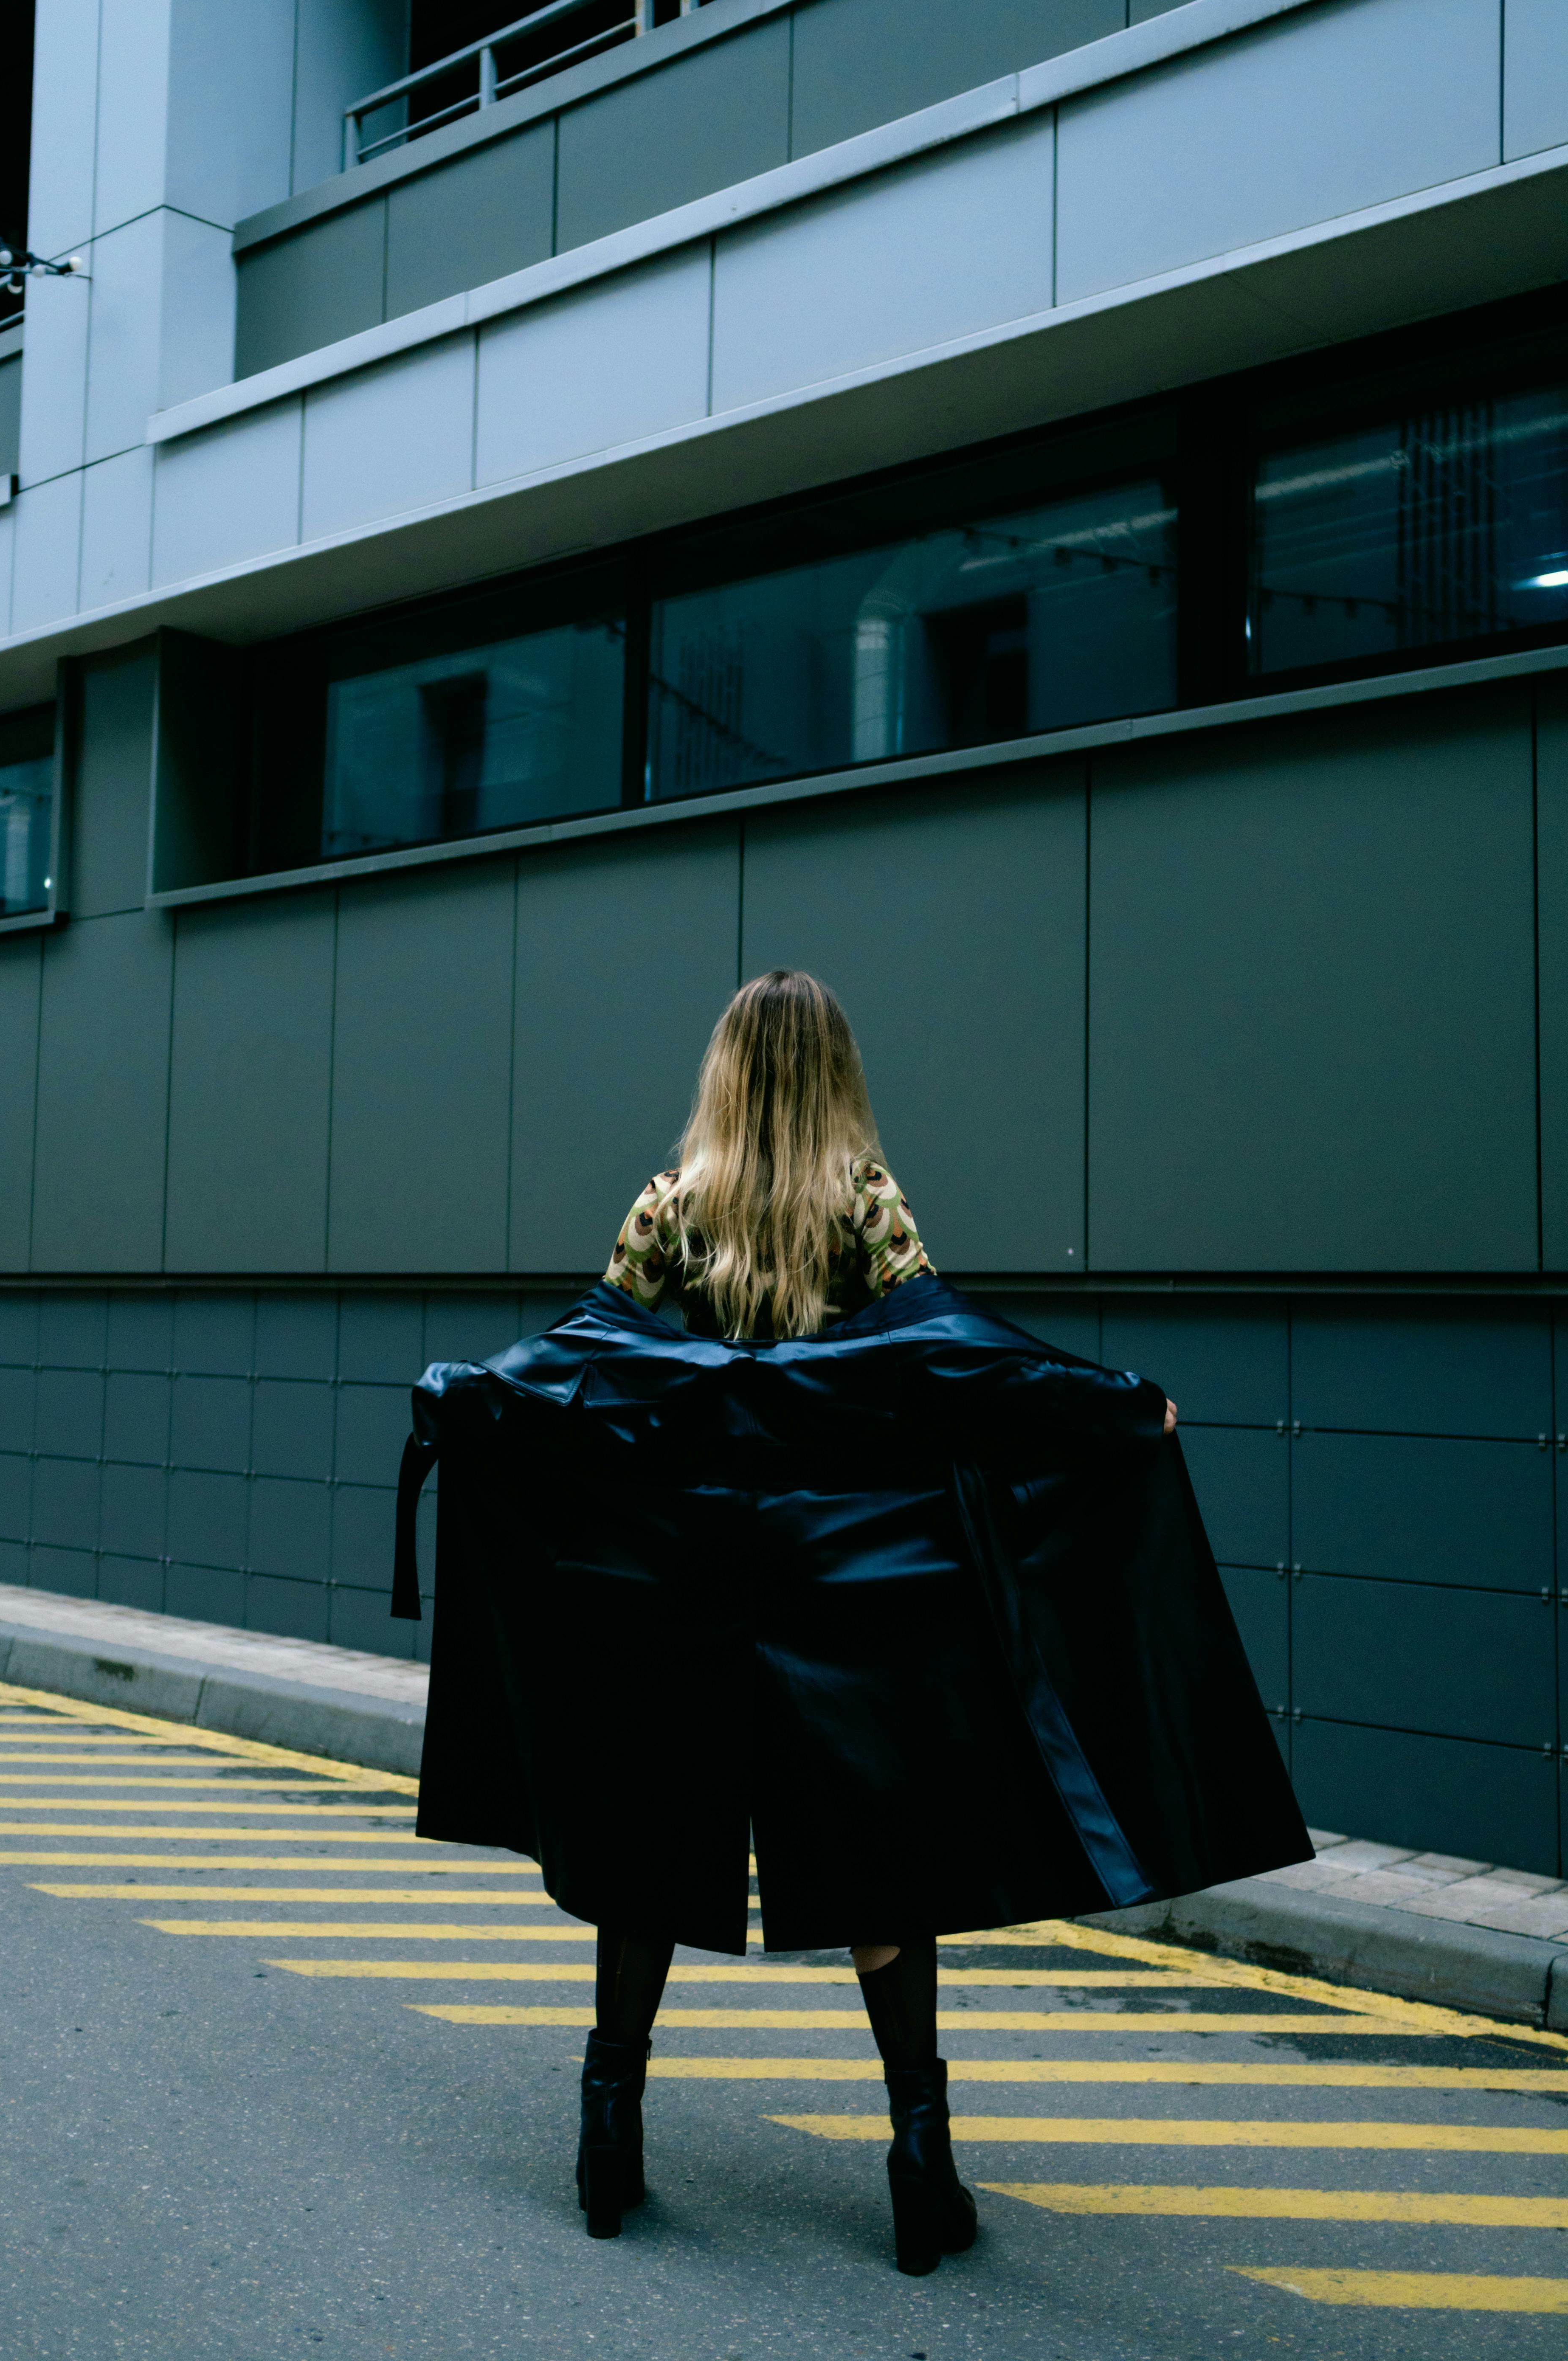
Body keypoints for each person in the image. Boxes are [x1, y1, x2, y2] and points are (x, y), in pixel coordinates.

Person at [393, 971, 1307, 2271]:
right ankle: (920, 2158)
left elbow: (585, 1365)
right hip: (848, 1579)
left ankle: (609, 2130)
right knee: (882, 1864)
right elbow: (955, 1357)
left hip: (682, 1576)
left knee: (653, 1844)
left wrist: (462, 1400)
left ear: (723, 1072)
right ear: (834, 1076)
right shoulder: (865, 1206)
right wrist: (1114, 1406)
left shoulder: (672, 1209)